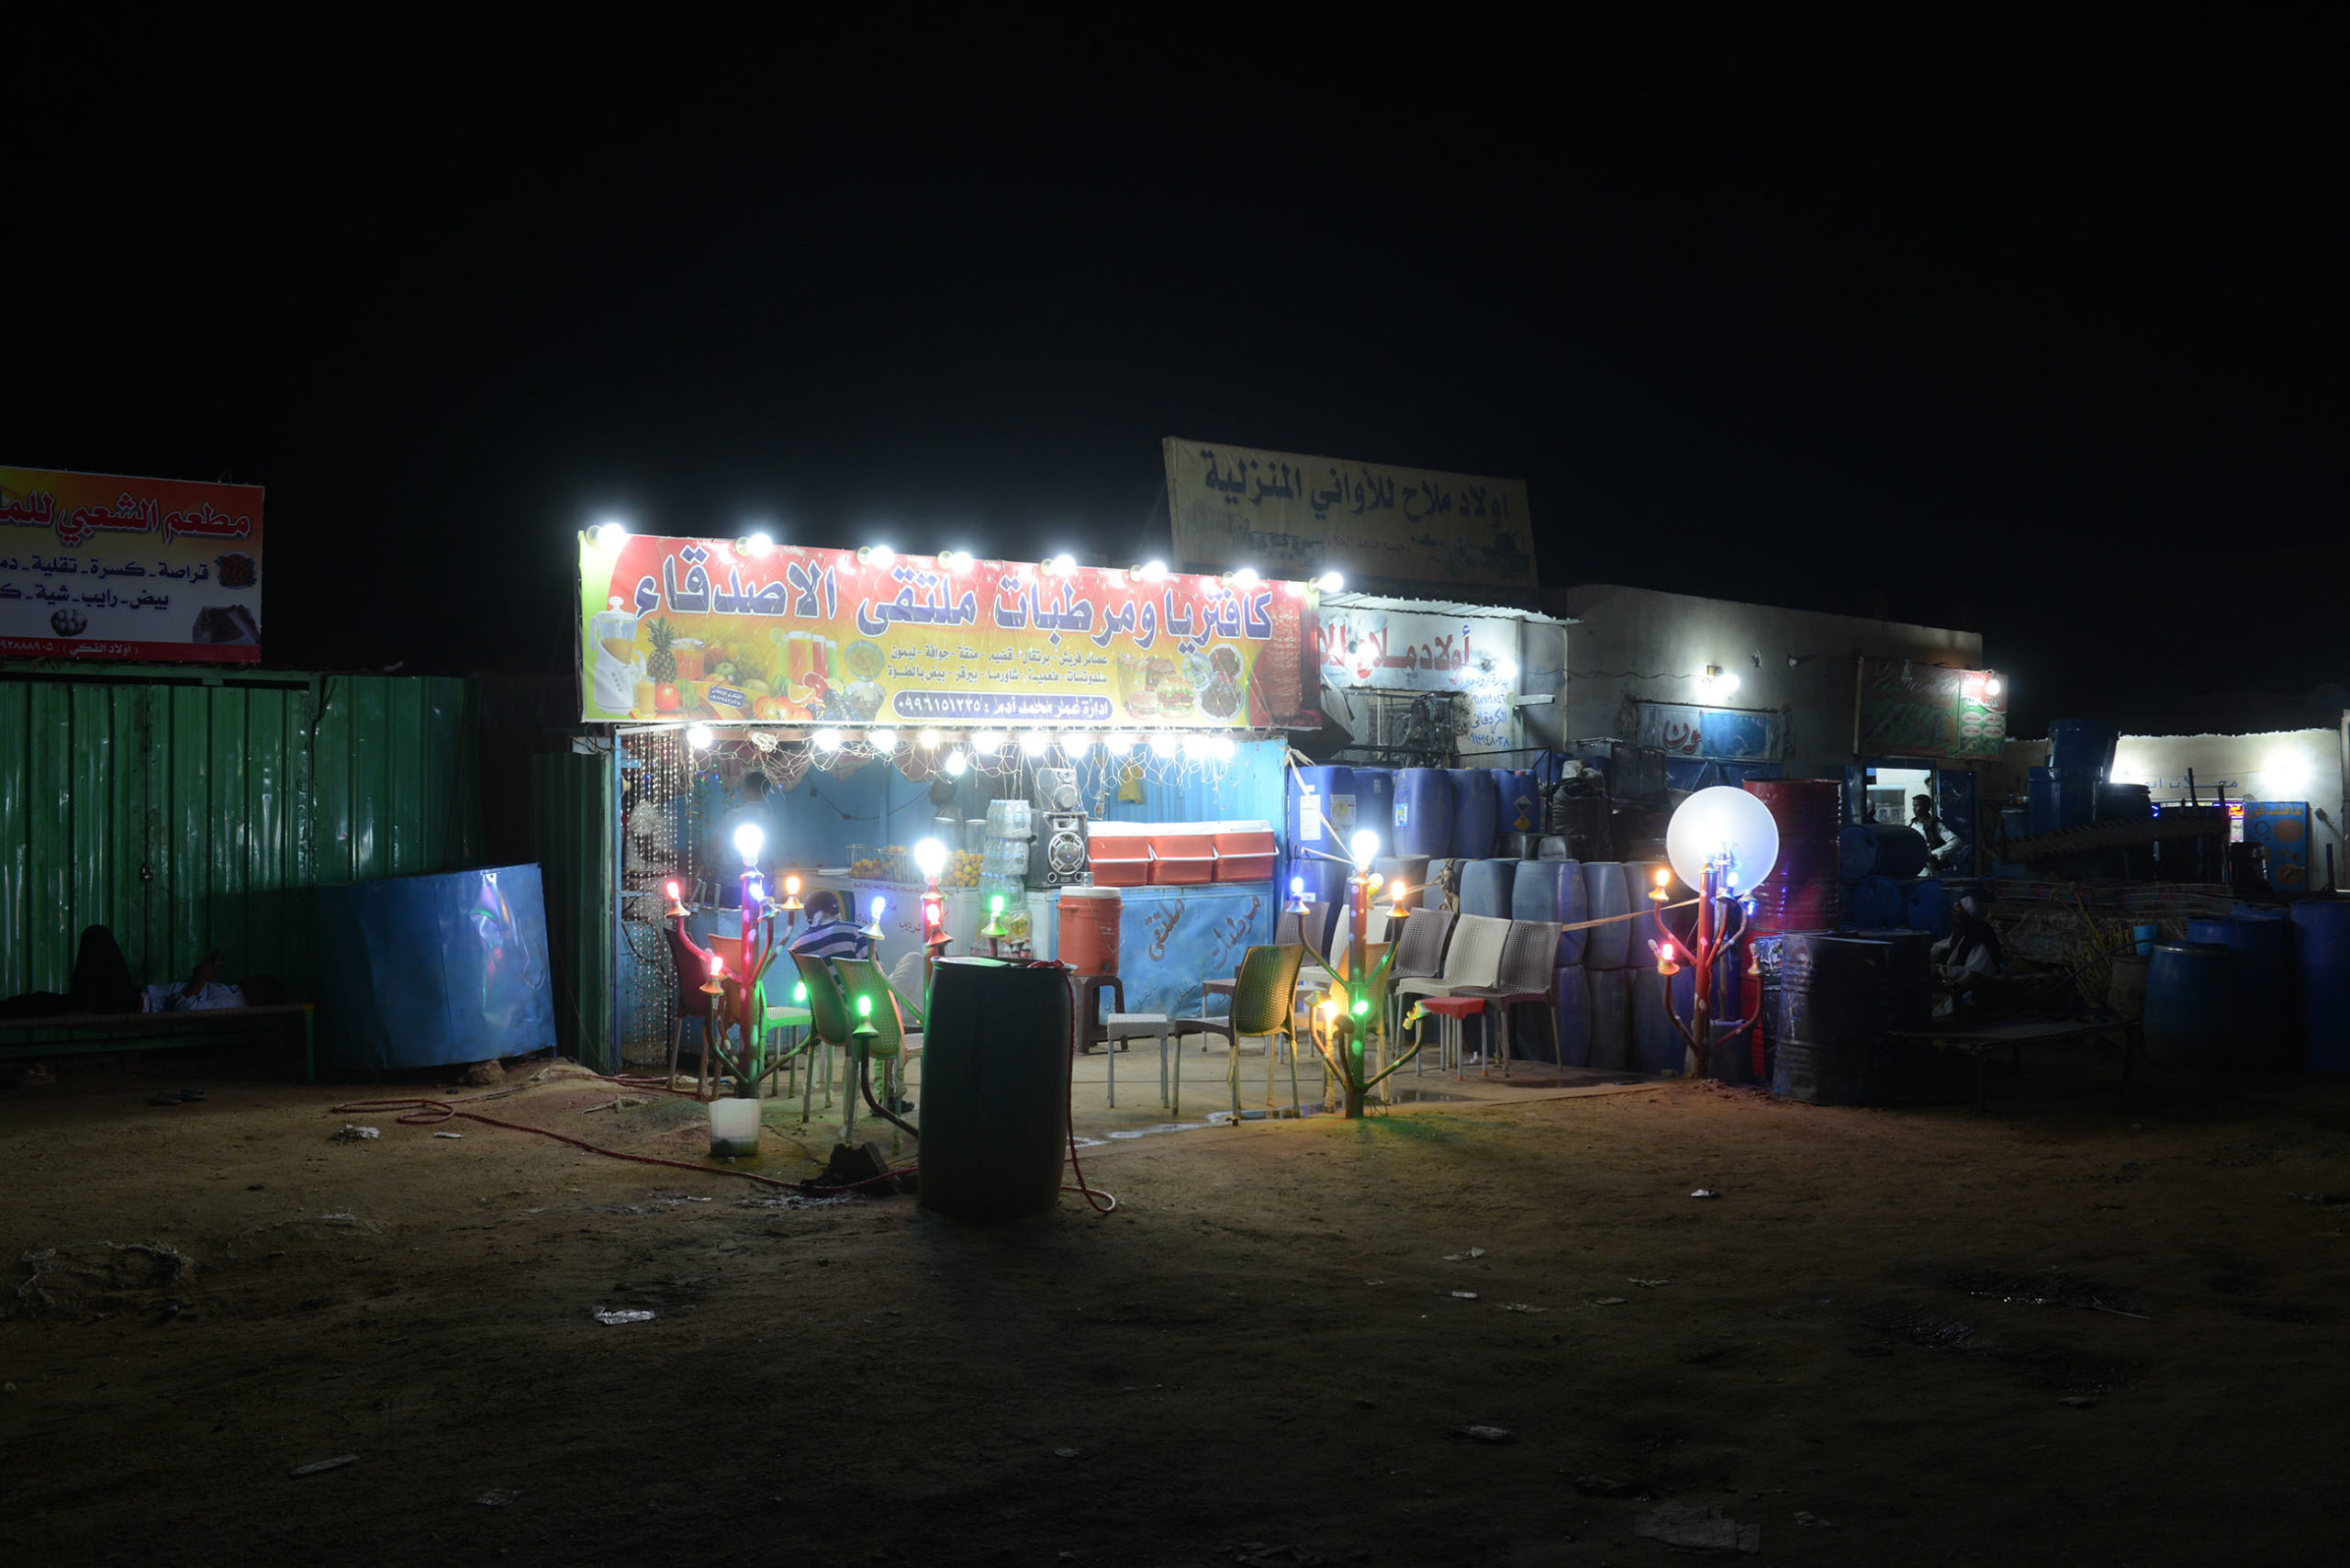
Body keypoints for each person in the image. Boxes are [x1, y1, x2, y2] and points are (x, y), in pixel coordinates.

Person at [788, 890, 875, 962]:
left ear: (808, 919)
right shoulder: (856, 933)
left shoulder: (798, 945)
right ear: (836, 909)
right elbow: (875, 971)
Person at [1931, 894, 2003, 982]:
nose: (1953, 920)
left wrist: (1941, 970)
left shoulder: (1981, 936)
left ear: (1970, 919)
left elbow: (1974, 973)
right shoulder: (1963, 930)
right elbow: (1946, 945)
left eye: (1957, 917)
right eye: (1953, 915)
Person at [1911, 793, 1966, 871]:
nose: (1914, 809)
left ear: (1926, 807)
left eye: (1917, 805)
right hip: (1914, 869)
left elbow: (1956, 841)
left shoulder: (1934, 825)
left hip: (1929, 870)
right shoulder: (1912, 825)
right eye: (1913, 806)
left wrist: (1935, 853)